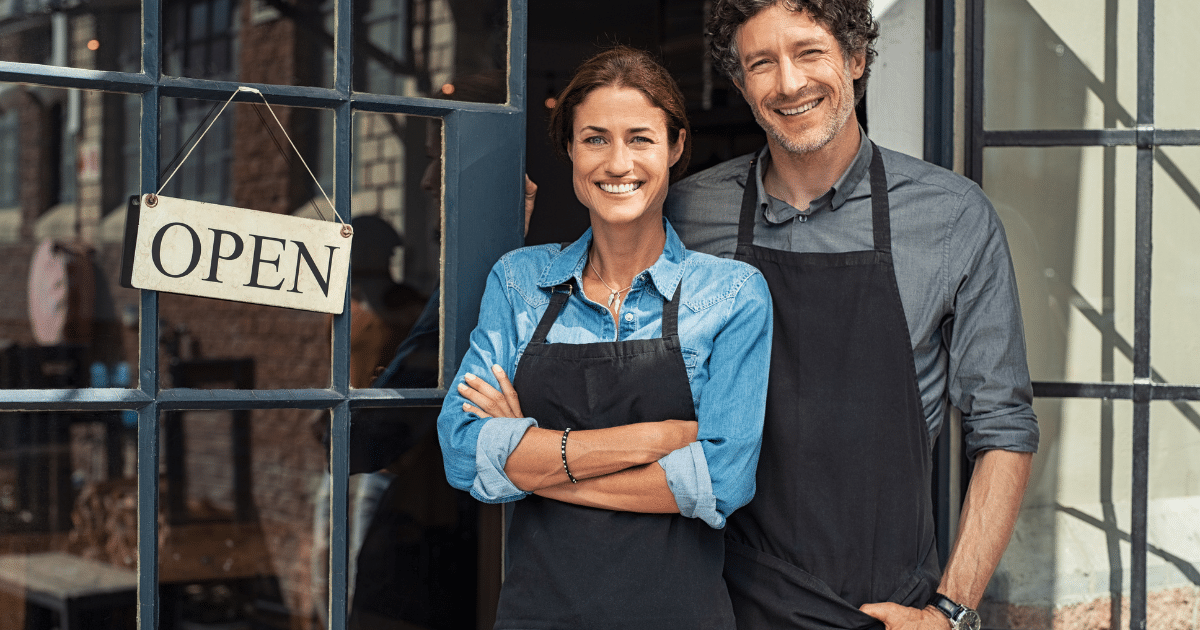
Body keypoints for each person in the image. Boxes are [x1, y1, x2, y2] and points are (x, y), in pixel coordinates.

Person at [663, 2, 1039, 630]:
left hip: (880, 610)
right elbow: (605, 319)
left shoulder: (950, 218)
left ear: (856, 59)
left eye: (809, 52)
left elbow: (1002, 425)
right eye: (762, 63)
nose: (788, 83)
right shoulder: (686, 215)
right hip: (718, 601)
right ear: (741, 85)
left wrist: (950, 614)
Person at [438, 46, 772, 629]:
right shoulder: (520, 282)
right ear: (569, 149)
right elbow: (464, 452)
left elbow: (722, 483)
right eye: (594, 139)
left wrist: (532, 465)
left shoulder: (731, 295)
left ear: (675, 147)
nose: (618, 163)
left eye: (640, 138)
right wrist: (656, 438)